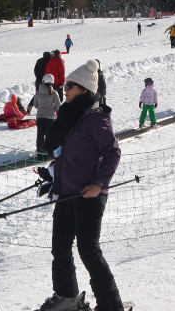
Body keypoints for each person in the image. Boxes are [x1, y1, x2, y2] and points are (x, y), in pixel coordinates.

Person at [39, 59, 124, 311]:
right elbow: (70, 155)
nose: (64, 90)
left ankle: (111, 305)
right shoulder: (71, 116)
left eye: (69, 86)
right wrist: (53, 174)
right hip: (67, 192)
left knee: (88, 250)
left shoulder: (96, 118)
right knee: (60, 248)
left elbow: (113, 152)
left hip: (89, 194)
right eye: (65, 86)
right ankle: (67, 296)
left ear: (84, 89)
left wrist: (99, 183)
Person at [30, 75, 61, 155]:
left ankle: (39, 154)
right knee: (49, 135)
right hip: (50, 117)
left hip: (40, 116)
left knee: (40, 135)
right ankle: (49, 153)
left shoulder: (38, 92)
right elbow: (58, 106)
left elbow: (35, 105)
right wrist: (53, 108)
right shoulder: (54, 93)